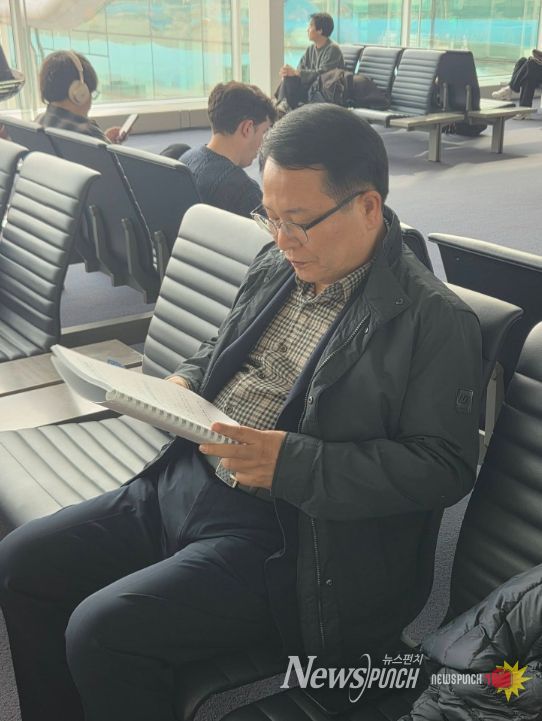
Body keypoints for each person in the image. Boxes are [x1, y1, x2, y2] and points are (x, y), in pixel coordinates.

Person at [0, 104, 482, 721]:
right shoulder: (278, 262)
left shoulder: (434, 320)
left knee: (102, 634)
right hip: (184, 477)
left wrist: (292, 464)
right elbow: (224, 345)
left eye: (298, 222)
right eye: (270, 217)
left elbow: (444, 468)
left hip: (288, 535)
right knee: (21, 564)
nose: (281, 239)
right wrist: (184, 381)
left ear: (368, 206)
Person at [180, 81, 276, 218]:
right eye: (264, 132)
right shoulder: (243, 191)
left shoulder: (186, 160)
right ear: (247, 128)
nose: (263, 143)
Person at [35, 50, 124, 143]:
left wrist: (105, 141)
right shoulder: (89, 133)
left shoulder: (39, 122)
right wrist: (106, 144)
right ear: (81, 94)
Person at [276, 12, 344, 113]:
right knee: (289, 77)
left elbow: (323, 75)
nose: (307, 29)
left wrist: (297, 73)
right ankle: (282, 105)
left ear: (320, 30)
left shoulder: (333, 49)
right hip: (309, 89)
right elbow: (300, 69)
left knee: (292, 78)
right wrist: (290, 73)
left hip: (322, 91)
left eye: (311, 26)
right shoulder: (310, 49)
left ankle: (283, 105)